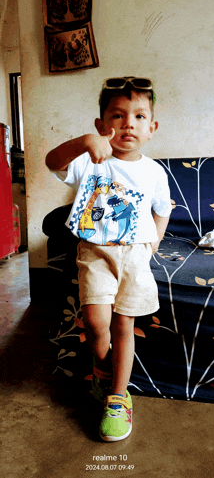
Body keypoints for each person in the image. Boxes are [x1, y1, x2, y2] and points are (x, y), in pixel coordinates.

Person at [45, 76, 172, 442]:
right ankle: (104, 374)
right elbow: (53, 161)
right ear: (102, 126)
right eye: (117, 115)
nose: (127, 123)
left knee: (123, 327)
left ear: (151, 128)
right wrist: (84, 143)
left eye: (138, 116)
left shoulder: (153, 172)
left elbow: (162, 210)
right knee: (96, 323)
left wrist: (153, 244)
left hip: (134, 257)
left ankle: (118, 397)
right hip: (96, 254)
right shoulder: (91, 161)